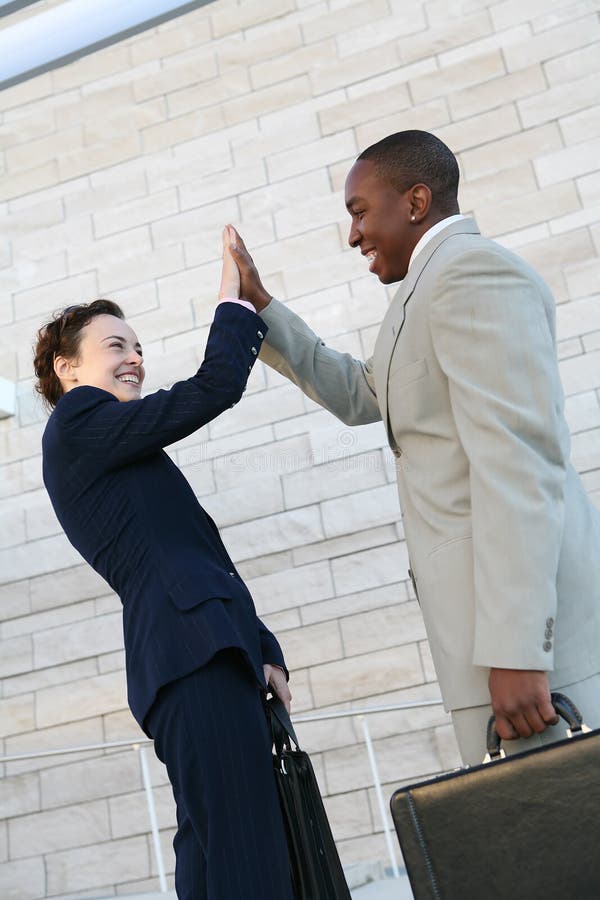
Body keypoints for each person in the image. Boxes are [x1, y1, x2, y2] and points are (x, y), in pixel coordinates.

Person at [226, 130, 600, 766]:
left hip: (528, 665)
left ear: (417, 201)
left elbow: (517, 465)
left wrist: (516, 653)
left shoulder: (470, 275)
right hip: (483, 653)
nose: (353, 235)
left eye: (359, 211)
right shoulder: (422, 293)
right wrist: (260, 307)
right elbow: (361, 393)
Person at [34, 230, 294, 900]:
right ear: (67, 370)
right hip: (192, 656)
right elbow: (211, 389)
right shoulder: (80, 422)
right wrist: (233, 304)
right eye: (115, 345)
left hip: (198, 656)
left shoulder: (118, 447)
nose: (135, 359)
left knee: (213, 859)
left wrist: (262, 645)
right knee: (248, 856)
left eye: (139, 348)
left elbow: (197, 550)